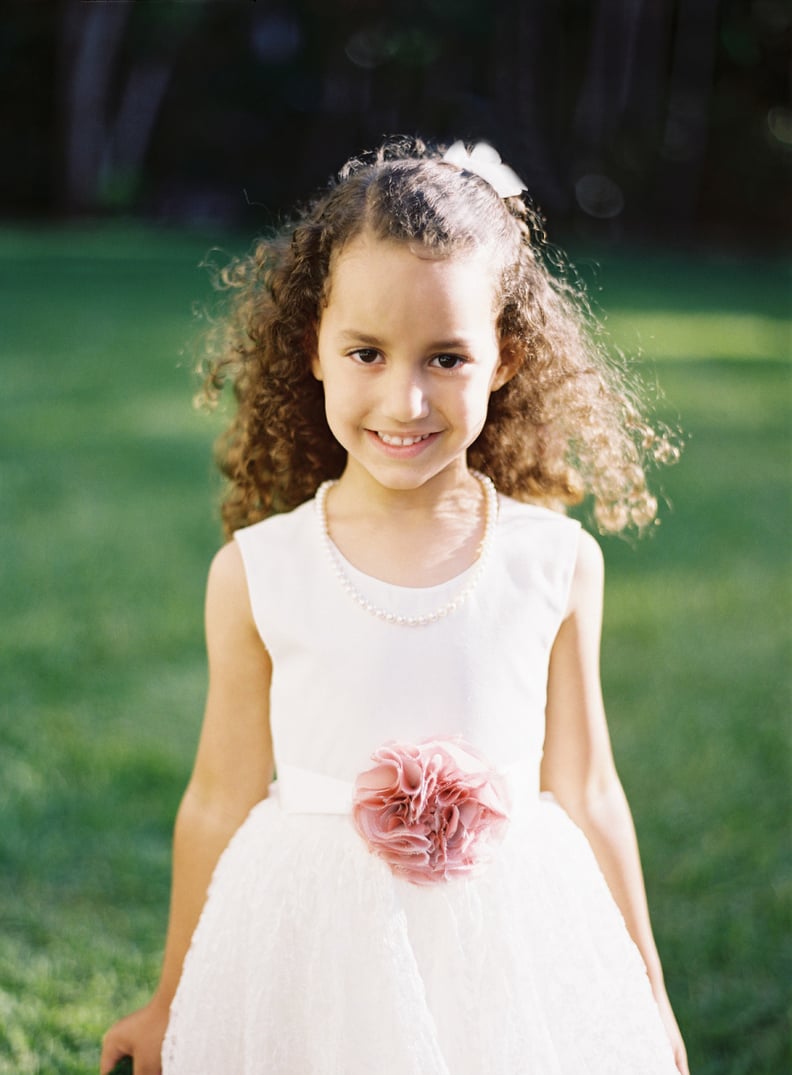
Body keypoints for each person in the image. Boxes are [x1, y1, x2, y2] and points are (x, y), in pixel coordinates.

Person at [100, 138, 689, 1075]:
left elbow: (589, 792)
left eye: (447, 357)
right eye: (366, 351)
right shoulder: (261, 569)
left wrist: (649, 995)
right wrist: (171, 997)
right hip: (314, 955)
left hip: (506, 956)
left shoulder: (556, 562)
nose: (405, 399)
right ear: (315, 351)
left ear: (506, 361)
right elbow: (217, 798)